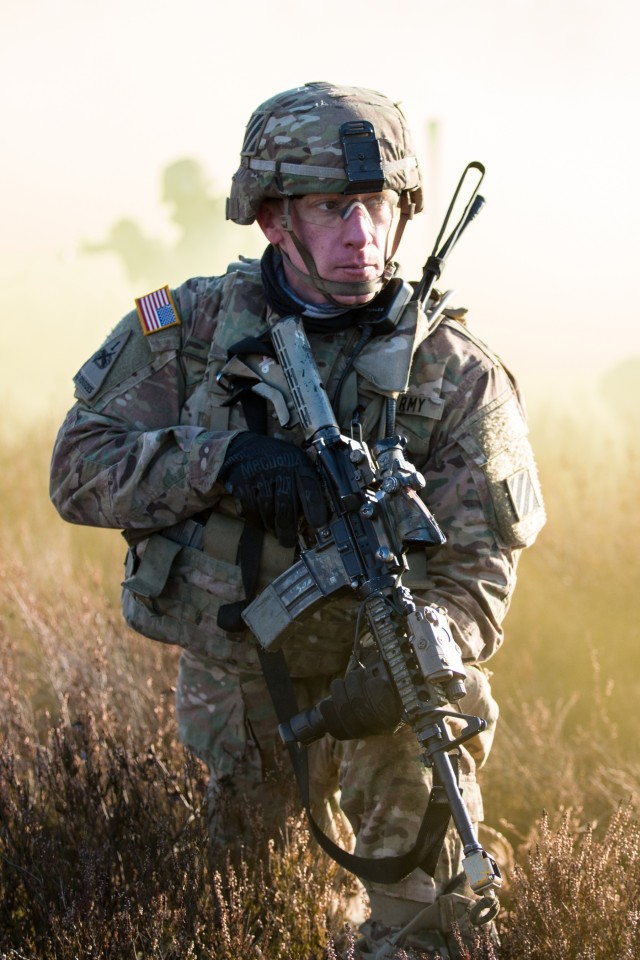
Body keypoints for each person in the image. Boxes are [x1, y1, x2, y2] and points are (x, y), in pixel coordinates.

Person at [50, 81, 545, 959]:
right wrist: (224, 460)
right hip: (244, 682)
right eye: (331, 208)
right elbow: (78, 467)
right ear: (273, 218)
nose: (362, 235)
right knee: (238, 919)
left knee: (425, 920)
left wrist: (425, 644)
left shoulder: (457, 372)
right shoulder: (192, 328)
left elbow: (480, 572)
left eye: (379, 207)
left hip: (392, 686)